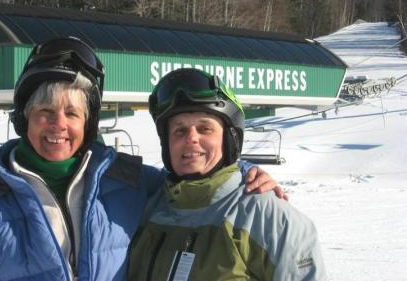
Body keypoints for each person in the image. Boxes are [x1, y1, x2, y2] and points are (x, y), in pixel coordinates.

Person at [0, 37, 283, 281]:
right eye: (45, 112)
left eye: (72, 113)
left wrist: (242, 172)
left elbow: (193, 181)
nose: (59, 124)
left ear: (88, 124)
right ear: (24, 118)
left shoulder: (125, 179)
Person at [128, 68, 326, 281]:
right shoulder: (146, 206)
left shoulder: (266, 217)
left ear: (229, 140)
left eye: (205, 129)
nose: (191, 138)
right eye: (180, 130)